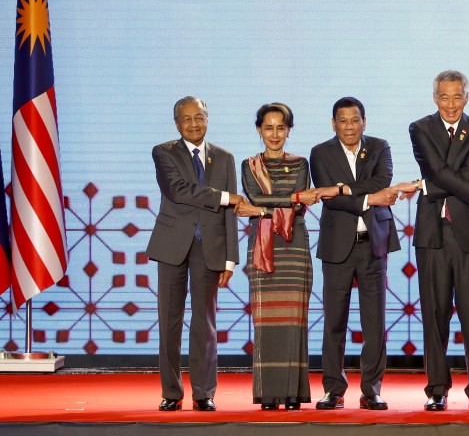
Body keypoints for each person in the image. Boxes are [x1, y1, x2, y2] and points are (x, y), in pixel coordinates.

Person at [407, 70, 469, 411]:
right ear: (435, 97)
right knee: (434, 315)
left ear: (467, 97)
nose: (451, 104)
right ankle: (437, 388)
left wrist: (425, 186)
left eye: (457, 96)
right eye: (444, 97)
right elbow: (438, 170)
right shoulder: (419, 128)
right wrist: (441, 181)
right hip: (432, 235)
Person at [147, 96, 244, 412]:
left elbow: (230, 215)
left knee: (205, 322)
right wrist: (226, 196)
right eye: (186, 119)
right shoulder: (163, 153)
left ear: (208, 117)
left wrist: (231, 257)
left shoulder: (225, 157)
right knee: (169, 322)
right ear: (177, 123)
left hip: (210, 248)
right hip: (172, 245)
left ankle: (204, 392)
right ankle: (171, 392)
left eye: (199, 117)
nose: (193, 123)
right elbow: (178, 190)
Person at [310, 97, 402, 411]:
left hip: (373, 244)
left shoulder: (380, 147)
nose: (349, 126)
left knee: (374, 321)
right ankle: (333, 389)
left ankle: (371, 389)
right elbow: (327, 196)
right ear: (334, 123)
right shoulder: (320, 153)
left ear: (364, 121)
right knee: (334, 320)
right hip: (337, 246)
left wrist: (345, 188)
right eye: (343, 120)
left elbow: (383, 183)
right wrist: (366, 198)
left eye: (355, 120)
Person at [233, 103, 317, 410]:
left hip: (294, 246)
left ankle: (293, 395)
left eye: (281, 128)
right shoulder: (248, 165)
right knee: (265, 321)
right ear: (259, 130)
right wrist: (291, 199)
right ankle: (268, 395)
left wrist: (265, 208)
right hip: (262, 246)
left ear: (289, 130)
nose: (274, 134)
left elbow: (284, 206)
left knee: (294, 321)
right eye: (268, 128)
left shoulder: (301, 163)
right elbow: (256, 198)